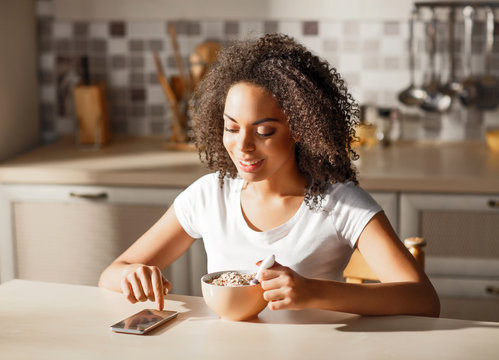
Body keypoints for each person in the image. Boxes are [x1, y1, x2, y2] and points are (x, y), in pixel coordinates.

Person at [99, 34, 440, 317]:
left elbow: (424, 301)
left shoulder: (339, 203)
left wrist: (313, 292)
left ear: (301, 130)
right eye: (231, 128)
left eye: (263, 131)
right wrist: (132, 274)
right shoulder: (208, 196)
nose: (243, 146)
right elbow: (110, 276)